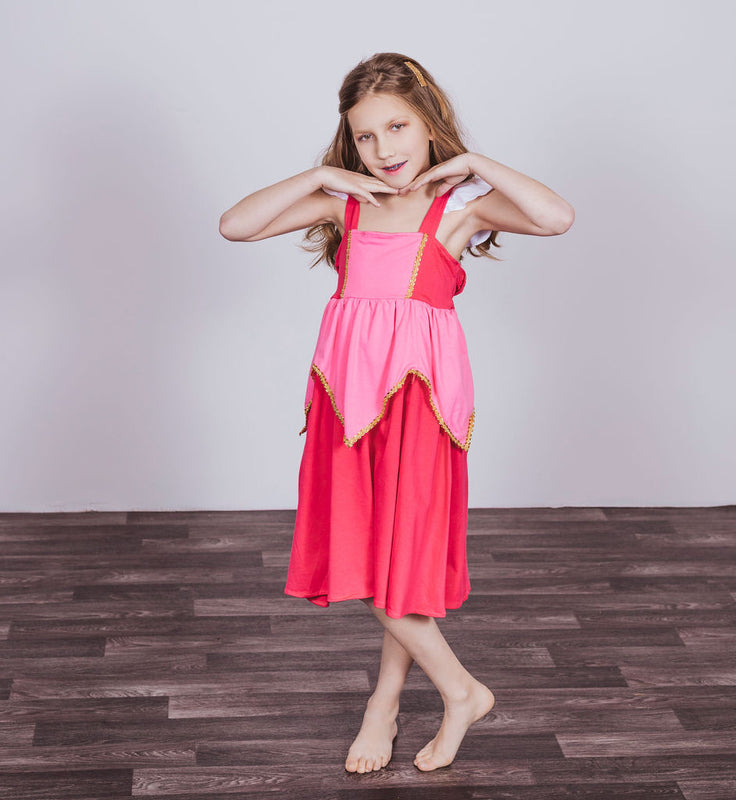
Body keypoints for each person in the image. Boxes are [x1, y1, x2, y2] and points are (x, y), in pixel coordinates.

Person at [219, 52, 574, 774]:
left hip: (421, 402)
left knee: (398, 563)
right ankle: (435, 695)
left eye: (398, 127)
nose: (383, 149)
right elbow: (235, 225)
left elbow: (557, 216)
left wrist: (472, 162)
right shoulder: (347, 204)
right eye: (366, 135)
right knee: (360, 554)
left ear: (428, 123)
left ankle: (415, 700)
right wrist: (322, 176)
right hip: (345, 400)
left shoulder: (460, 209)